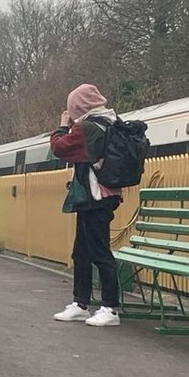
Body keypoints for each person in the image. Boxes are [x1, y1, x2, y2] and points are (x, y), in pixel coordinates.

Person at [50, 83, 123, 327]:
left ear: (78, 107)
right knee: (82, 251)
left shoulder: (86, 128)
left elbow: (59, 148)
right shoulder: (110, 121)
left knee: (99, 252)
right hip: (100, 196)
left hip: (95, 197)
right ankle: (80, 304)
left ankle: (110, 308)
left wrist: (63, 126)